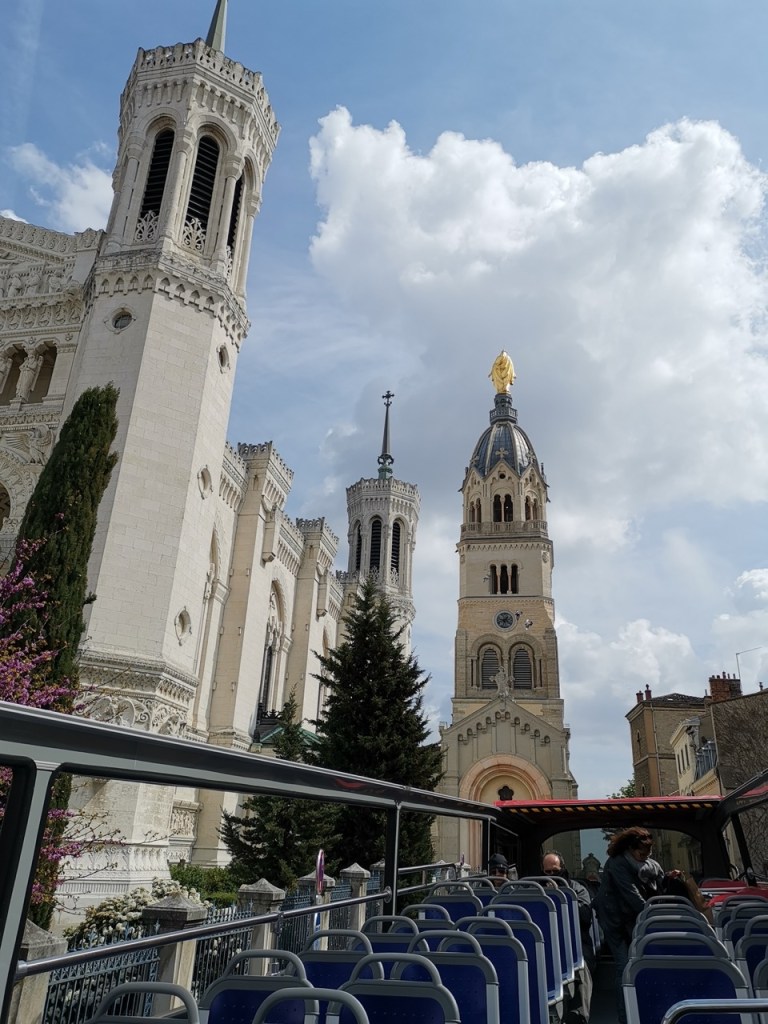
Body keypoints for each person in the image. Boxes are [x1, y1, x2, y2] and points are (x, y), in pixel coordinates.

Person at [595, 827, 669, 1024]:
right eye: (641, 853)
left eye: (649, 853)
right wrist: (655, 914)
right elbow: (632, 895)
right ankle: (625, 1016)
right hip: (614, 919)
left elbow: (659, 883)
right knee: (624, 965)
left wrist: (670, 878)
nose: (645, 857)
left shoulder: (649, 865)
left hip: (632, 918)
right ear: (630, 850)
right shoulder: (617, 864)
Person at [542, 850, 594, 1024]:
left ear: (563, 869)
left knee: (581, 976)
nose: (551, 876)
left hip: (575, 949)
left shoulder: (577, 889)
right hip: (546, 950)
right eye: (547, 872)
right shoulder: (537, 891)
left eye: (555, 872)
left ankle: (579, 1017)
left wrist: (561, 896)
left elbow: (585, 917)